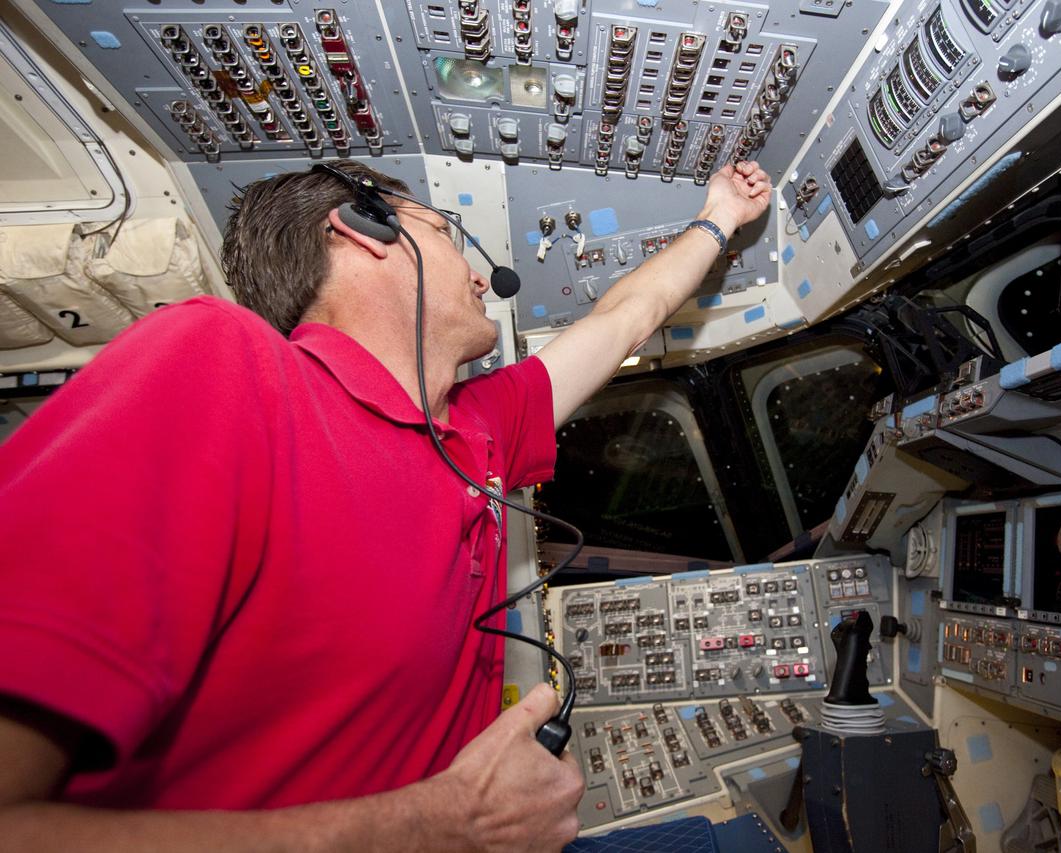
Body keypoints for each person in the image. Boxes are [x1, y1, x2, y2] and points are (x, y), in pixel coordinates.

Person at [0, 158, 772, 851]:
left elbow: (627, 315)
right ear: (363, 230)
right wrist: (444, 826)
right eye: (445, 233)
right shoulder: (222, 366)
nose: (480, 277)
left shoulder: (476, 425)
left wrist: (721, 216)